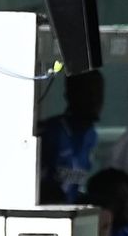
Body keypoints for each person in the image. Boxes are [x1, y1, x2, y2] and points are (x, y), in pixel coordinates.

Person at [38, 71, 103, 204]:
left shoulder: (91, 137)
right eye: (87, 92)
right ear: (70, 95)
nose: (94, 99)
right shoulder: (51, 133)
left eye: (99, 92)